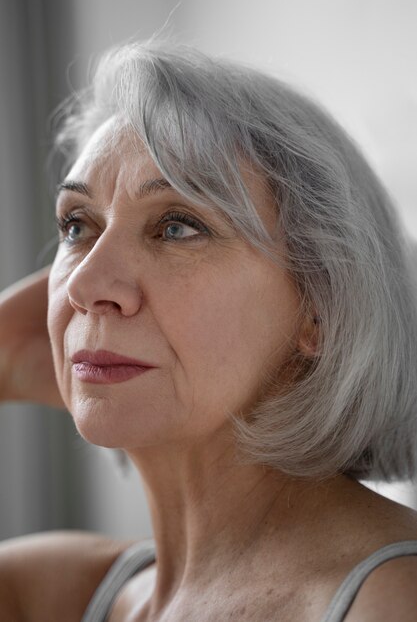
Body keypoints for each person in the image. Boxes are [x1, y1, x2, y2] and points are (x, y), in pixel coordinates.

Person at [1, 39, 417, 622]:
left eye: (177, 226)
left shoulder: (392, 600)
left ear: (318, 307)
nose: (85, 282)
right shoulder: (51, 594)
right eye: (78, 225)